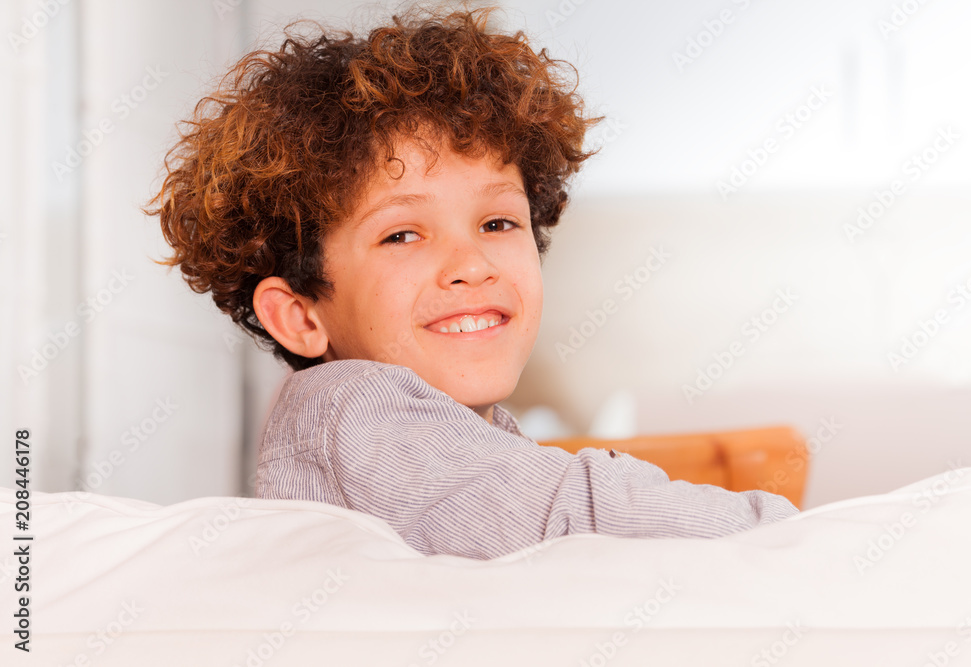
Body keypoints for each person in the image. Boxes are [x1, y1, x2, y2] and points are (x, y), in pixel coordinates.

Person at [145, 3, 799, 560]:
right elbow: (572, 519)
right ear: (302, 316)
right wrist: (798, 541)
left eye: (496, 222)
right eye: (403, 233)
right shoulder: (354, 407)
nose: (472, 263)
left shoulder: (461, 437)